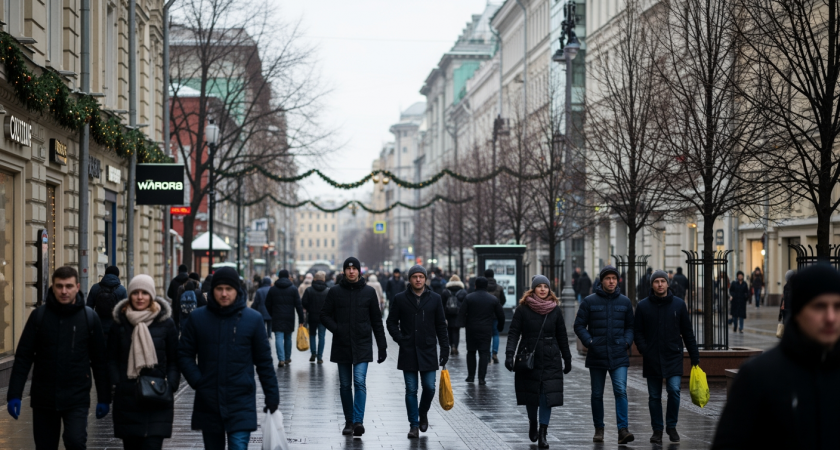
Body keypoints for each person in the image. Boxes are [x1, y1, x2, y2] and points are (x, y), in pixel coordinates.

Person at [712, 264, 840, 449]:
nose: (830, 317)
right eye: (819, 306)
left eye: (837, 306)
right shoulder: (758, 376)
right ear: (797, 311)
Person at [6, 266, 111, 450]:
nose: (64, 291)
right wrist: (14, 394)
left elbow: (99, 361)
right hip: (43, 397)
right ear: (52, 287)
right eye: (59, 286)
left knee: (76, 442)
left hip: (77, 396)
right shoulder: (39, 316)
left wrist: (104, 397)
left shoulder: (89, 318)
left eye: (69, 286)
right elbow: (24, 357)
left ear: (77, 287)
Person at [178, 267, 279, 450]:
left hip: (241, 399)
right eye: (219, 289)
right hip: (209, 399)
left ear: (237, 290)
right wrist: (198, 381)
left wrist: (272, 395)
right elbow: (184, 353)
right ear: (213, 290)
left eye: (229, 289)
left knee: (238, 446)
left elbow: (264, 361)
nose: (224, 294)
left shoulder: (252, 319)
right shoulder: (198, 318)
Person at [107, 274, 180, 450]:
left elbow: (174, 360)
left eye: (145, 293)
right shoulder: (119, 323)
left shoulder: (166, 323)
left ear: (152, 295)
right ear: (129, 295)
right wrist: (117, 383)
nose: (140, 297)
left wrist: (170, 384)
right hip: (127, 400)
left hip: (158, 398)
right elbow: (110, 358)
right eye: (136, 293)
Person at [320, 257, 388, 437]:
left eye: (354, 269)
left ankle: (358, 421)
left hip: (362, 343)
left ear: (359, 271)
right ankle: (349, 421)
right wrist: (337, 329)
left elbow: (376, 321)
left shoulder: (369, 292)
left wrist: (382, 346)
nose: (351, 271)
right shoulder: (335, 292)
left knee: (359, 381)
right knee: (344, 385)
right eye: (348, 269)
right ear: (344, 271)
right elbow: (324, 315)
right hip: (342, 344)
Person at [505, 275, 572, 449]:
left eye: (545, 286)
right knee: (531, 395)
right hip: (529, 357)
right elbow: (513, 333)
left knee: (546, 397)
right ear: (533, 289)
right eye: (539, 286)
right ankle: (532, 421)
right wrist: (509, 354)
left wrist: (567, 357)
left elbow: (562, 335)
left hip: (551, 358)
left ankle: (543, 432)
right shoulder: (523, 309)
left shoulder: (555, 310)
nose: (543, 289)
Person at [634, 270, 700, 444]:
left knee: (674, 390)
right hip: (652, 357)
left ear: (668, 284)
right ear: (652, 284)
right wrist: (644, 349)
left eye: (663, 281)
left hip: (673, 355)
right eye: (656, 282)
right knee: (654, 396)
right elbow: (638, 331)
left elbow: (687, 332)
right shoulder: (643, 306)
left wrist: (695, 356)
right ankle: (657, 430)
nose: (660, 284)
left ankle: (671, 426)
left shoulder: (678, 305)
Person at [574, 265, 635, 444]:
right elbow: (579, 325)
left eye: (614, 278)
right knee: (597, 394)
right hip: (597, 354)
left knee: (620, 391)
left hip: (618, 353)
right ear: (602, 281)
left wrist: (626, 342)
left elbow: (630, 326)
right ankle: (599, 428)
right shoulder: (589, 301)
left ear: (618, 281)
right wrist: (590, 342)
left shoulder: (624, 302)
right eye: (608, 278)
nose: (611, 281)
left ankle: (623, 430)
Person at [386, 265, 449, 439]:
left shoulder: (435, 299)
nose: (418, 280)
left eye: (421, 276)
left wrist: (445, 348)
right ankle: (413, 425)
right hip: (408, 350)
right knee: (411, 389)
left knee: (429, 388)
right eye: (415, 277)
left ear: (426, 278)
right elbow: (391, 322)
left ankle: (423, 413)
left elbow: (441, 326)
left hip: (428, 349)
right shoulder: (400, 298)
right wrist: (400, 338)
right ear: (410, 279)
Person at [457, 276, 505, 385]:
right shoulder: (492, 299)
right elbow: (501, 315)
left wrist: (462, 324)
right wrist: (500, 327)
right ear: (486, 286)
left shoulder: (469, 298)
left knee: (471, 352)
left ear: (475, 285)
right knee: (484, 353)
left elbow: (462, 313)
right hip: (486, 329)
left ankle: (470, 376)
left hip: (471, 329)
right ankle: (481, 378)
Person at [265, 269, 304, 367]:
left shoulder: (273, 289)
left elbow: (267, 303)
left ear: (279, 277)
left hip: (277, 316)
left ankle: (281, 359)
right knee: (288, 337)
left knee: (278, 337)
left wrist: (272, 313)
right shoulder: (293, 288)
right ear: (288, 276)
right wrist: (301, 319)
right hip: (289, 317)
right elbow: (298, 305)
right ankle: (287, 358)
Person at [86, 265, 128, 348]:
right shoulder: (122, 290)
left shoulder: (95, 288)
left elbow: (88, 308)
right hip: (115, 328)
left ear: (105, 274)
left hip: (98, 327)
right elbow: (125, 311)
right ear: (117, 275)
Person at [302, 271, 330, 363]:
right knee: (322, 336)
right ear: (324, 279)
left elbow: (304, 303)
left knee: (312, 335)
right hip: (323, 317)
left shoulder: (309, 290)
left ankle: (313, 353)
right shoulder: (328, 290)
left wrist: (310, 308)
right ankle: (320, 356)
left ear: (314, 279)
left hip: (312, 316)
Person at [441, 275, 467, 356]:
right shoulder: (463, 292)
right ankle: (455, 346)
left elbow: (442, 304)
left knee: (449, 330)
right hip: (458, 314)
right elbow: (465, 304)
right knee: (456, 331)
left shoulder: (445, 291)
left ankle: (450, 345)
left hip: (448, 314)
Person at [484, 269, 507, 364]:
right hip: (496, 315)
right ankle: (495, 353)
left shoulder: (483, 287)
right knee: (496, 334)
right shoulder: (499, 288)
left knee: (487, 335)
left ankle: (488, 355)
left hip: (485, 315)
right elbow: (503, 300)